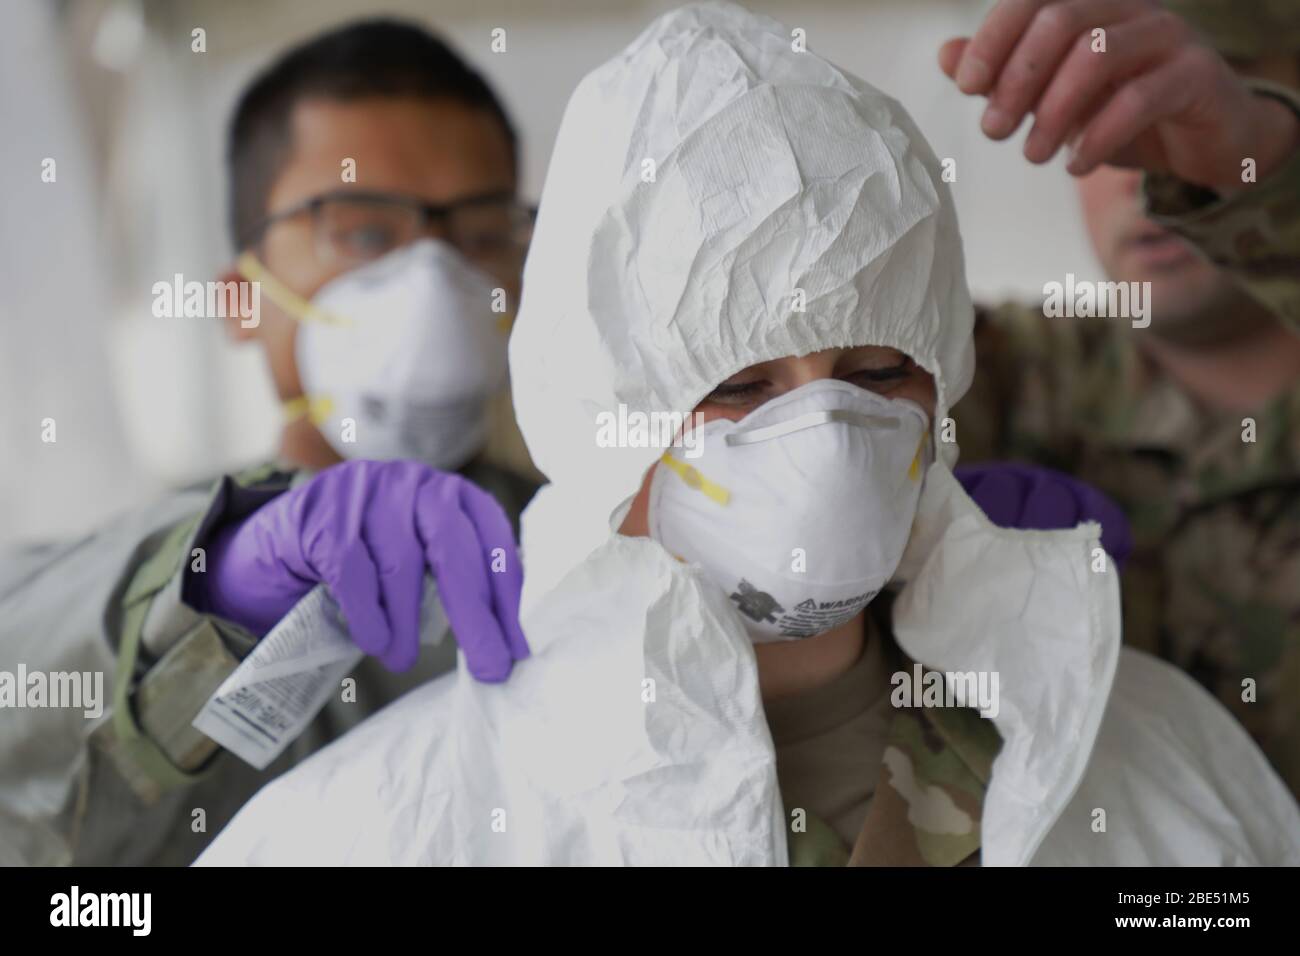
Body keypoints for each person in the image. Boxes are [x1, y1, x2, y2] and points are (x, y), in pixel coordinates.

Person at [196, 3, 1300, 867]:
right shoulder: (385, 823)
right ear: (601, 415)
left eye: (877, 371)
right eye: (736, 385)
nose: (823, 429)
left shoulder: (1142, 750)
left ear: (945, 389)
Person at [0, 19, 536, 865]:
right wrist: (211, 591)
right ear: (242, 300)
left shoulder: (587, 546)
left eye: (481, 235)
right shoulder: (160, 565)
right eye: (362, 232)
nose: (436, 283)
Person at [942, 0, 1300, 796]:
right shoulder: (995, 373)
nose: (1153, 164)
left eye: (1198, 97)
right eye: (1100, 101)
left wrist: (1267, 178)